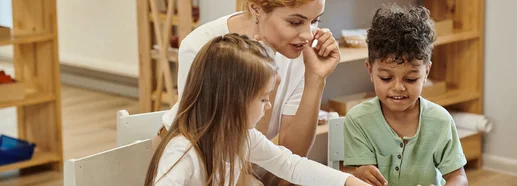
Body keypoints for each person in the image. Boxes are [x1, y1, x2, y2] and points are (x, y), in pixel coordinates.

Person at [145, 33, 368, 186]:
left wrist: (347, 181)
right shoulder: (183, 151)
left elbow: (290, 164)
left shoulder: (241, 137)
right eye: (263, 99)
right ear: (233, 101)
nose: (269, 105)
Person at [157, 0, 338, 184]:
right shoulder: (205, 46)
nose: (308, 35)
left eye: (316, 20)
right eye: (295, 22)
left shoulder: (300, 49)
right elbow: (216, 143)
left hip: (248, 166)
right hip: (205, 164)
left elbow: (290, 159)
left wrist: (316, 78)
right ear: (255, 8)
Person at [342, 5, 469, 186]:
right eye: (386, 78)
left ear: (426, 73)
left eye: (410, 79)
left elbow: (459, 177)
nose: (398, 87)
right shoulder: (358, 120)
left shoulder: (440, 121)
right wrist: (357, 174)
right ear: (370, 70)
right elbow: (347, 175)